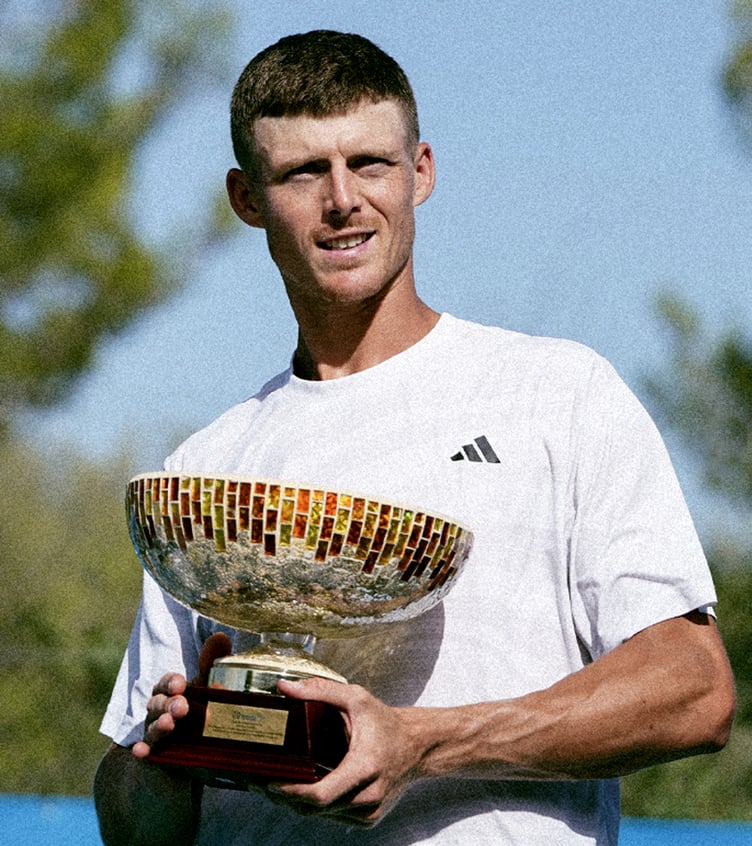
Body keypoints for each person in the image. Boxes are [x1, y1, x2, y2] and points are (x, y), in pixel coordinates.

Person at [93, 30, 736, 846]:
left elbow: (693, 691)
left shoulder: (557, 394)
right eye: (302, 171)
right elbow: (138, 826)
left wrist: (421, 744)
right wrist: (166, 752)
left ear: (420, 171)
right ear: (246, 198)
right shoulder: (206, 471)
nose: (342, 200)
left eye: (370, 163)